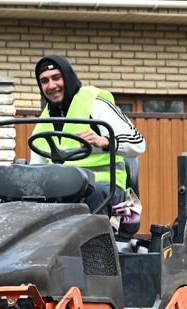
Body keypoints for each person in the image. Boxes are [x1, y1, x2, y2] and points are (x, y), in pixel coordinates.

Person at [30, 55, 145, 215]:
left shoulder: (94, 102)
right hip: (63, 191)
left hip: (104, 187)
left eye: (56, 78)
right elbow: (35, 166)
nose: (51, 85)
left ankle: (98, 241)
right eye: (45, 81)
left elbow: (138, 143)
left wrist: (104, 141)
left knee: (93, 194)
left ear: (67, 77)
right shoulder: (43, 122)